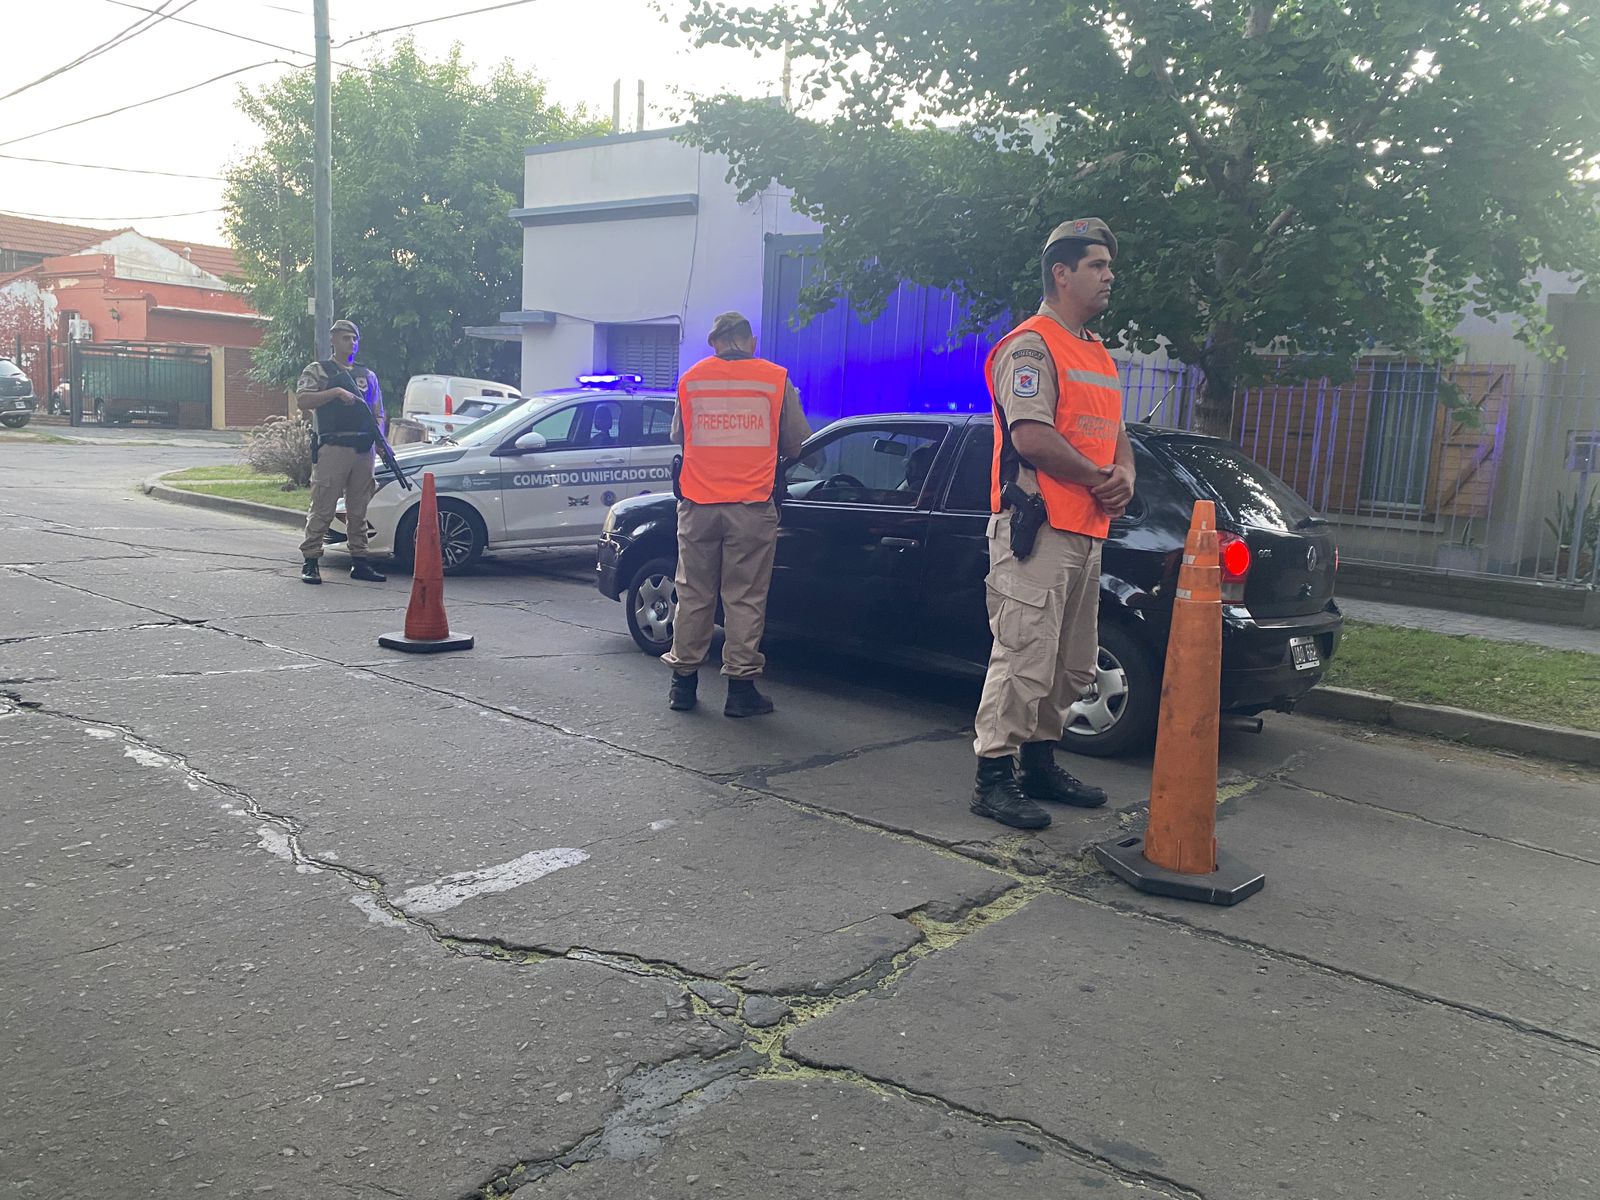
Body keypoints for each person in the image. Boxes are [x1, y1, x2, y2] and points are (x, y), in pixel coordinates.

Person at [969, 218, 1136, 830]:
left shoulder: (1094, 351)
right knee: (1022, 657)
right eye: (1098, 265)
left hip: (1087, 531)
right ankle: (994, 775)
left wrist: (1126, 477)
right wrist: (1102, 478)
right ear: (1061, 274)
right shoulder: (1030, 346)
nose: (1110, 275)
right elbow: (1032, 437)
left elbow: (1118, 437)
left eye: (1109, 266)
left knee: (1072, 664)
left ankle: (1039, 764)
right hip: (1036, 531)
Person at [662, 311, 810, 717]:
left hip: (697, 506)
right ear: (750, 340)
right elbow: (797, 444)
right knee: (744, 597)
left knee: (693, 593)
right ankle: (740, 692)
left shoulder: (691, 379)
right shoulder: (775, 378)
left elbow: (679, 435)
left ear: (716, 343)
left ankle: (683, 685)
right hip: (750, 505)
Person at [295, 319, 388, 585]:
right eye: (346, 338)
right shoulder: (319, 371)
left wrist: (380, 440)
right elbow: (303, 399)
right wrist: (335, 392)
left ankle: (360, 560)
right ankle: (311, 560)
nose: (351, 343)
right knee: (323, 506)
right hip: (334, 446)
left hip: (363, 449)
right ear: (333, 340)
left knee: (358, 510)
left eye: (355, 339)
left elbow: (377, 412)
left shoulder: (367, 375)